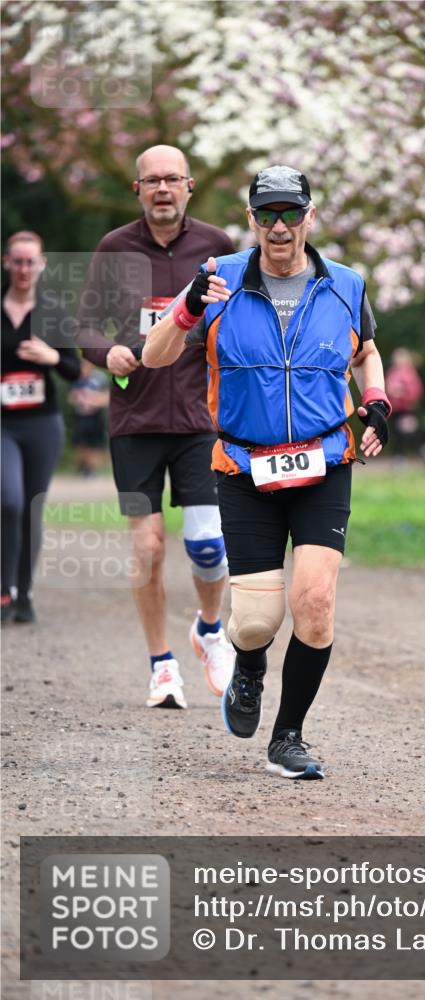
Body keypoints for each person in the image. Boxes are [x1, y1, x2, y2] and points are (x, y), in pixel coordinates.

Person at [143, 164, 391, 779]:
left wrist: (378, 400)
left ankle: (289, 737)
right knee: (255, 622)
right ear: (251, 220)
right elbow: (152, 357)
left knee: (315, 601)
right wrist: (185, 312)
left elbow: (365, 350)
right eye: (266, 215)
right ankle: (247, 670)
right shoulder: (217, 281)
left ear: (310, 216)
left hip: (325, 461)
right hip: (244, 468)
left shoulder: (345, 285)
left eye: (290, 213)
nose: (279, 227)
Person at [77, 145, 236, 709]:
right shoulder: (113, 248)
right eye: (152, 181)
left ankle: (210, 629)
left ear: (190, 186)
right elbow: (85, 325)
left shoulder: (216, 247)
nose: (163, 189)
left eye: (173, 179)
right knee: (147, 549)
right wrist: (107, 352)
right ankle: (162, 665)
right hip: (135, 420)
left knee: (209, 547)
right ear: (137, 190)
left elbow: (237, 318)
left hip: (199, 419)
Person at [1, 231, 81, 624]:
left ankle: (24, 592)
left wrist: (50, 355)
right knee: (9, 502)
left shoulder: (52, 312)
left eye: (30, 261)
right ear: (6, 263)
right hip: (3, 425)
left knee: (31, 508)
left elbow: (73, 369)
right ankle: (4, 589)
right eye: (17, 260)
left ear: (42, 264)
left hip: (42, 425)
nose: (23, 268)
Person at [68, 359, 110, 476]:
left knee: (95, 444)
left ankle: (90, 469)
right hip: (80, 416)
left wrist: (95, 400)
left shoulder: (100, 378)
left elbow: (107, 397)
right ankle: (82, 467)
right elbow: (71, 397)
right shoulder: (77, 377)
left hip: (95, 415)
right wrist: (79, 399)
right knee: (81, 443)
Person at [384, 347, 424, 458]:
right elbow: (387, 387)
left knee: (410, 433)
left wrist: (403, 394)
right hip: (394, 409)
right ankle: (398, 457)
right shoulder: (392, 372)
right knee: (397, 434)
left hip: (407, 409)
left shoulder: (410, 373)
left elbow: (416, 391)